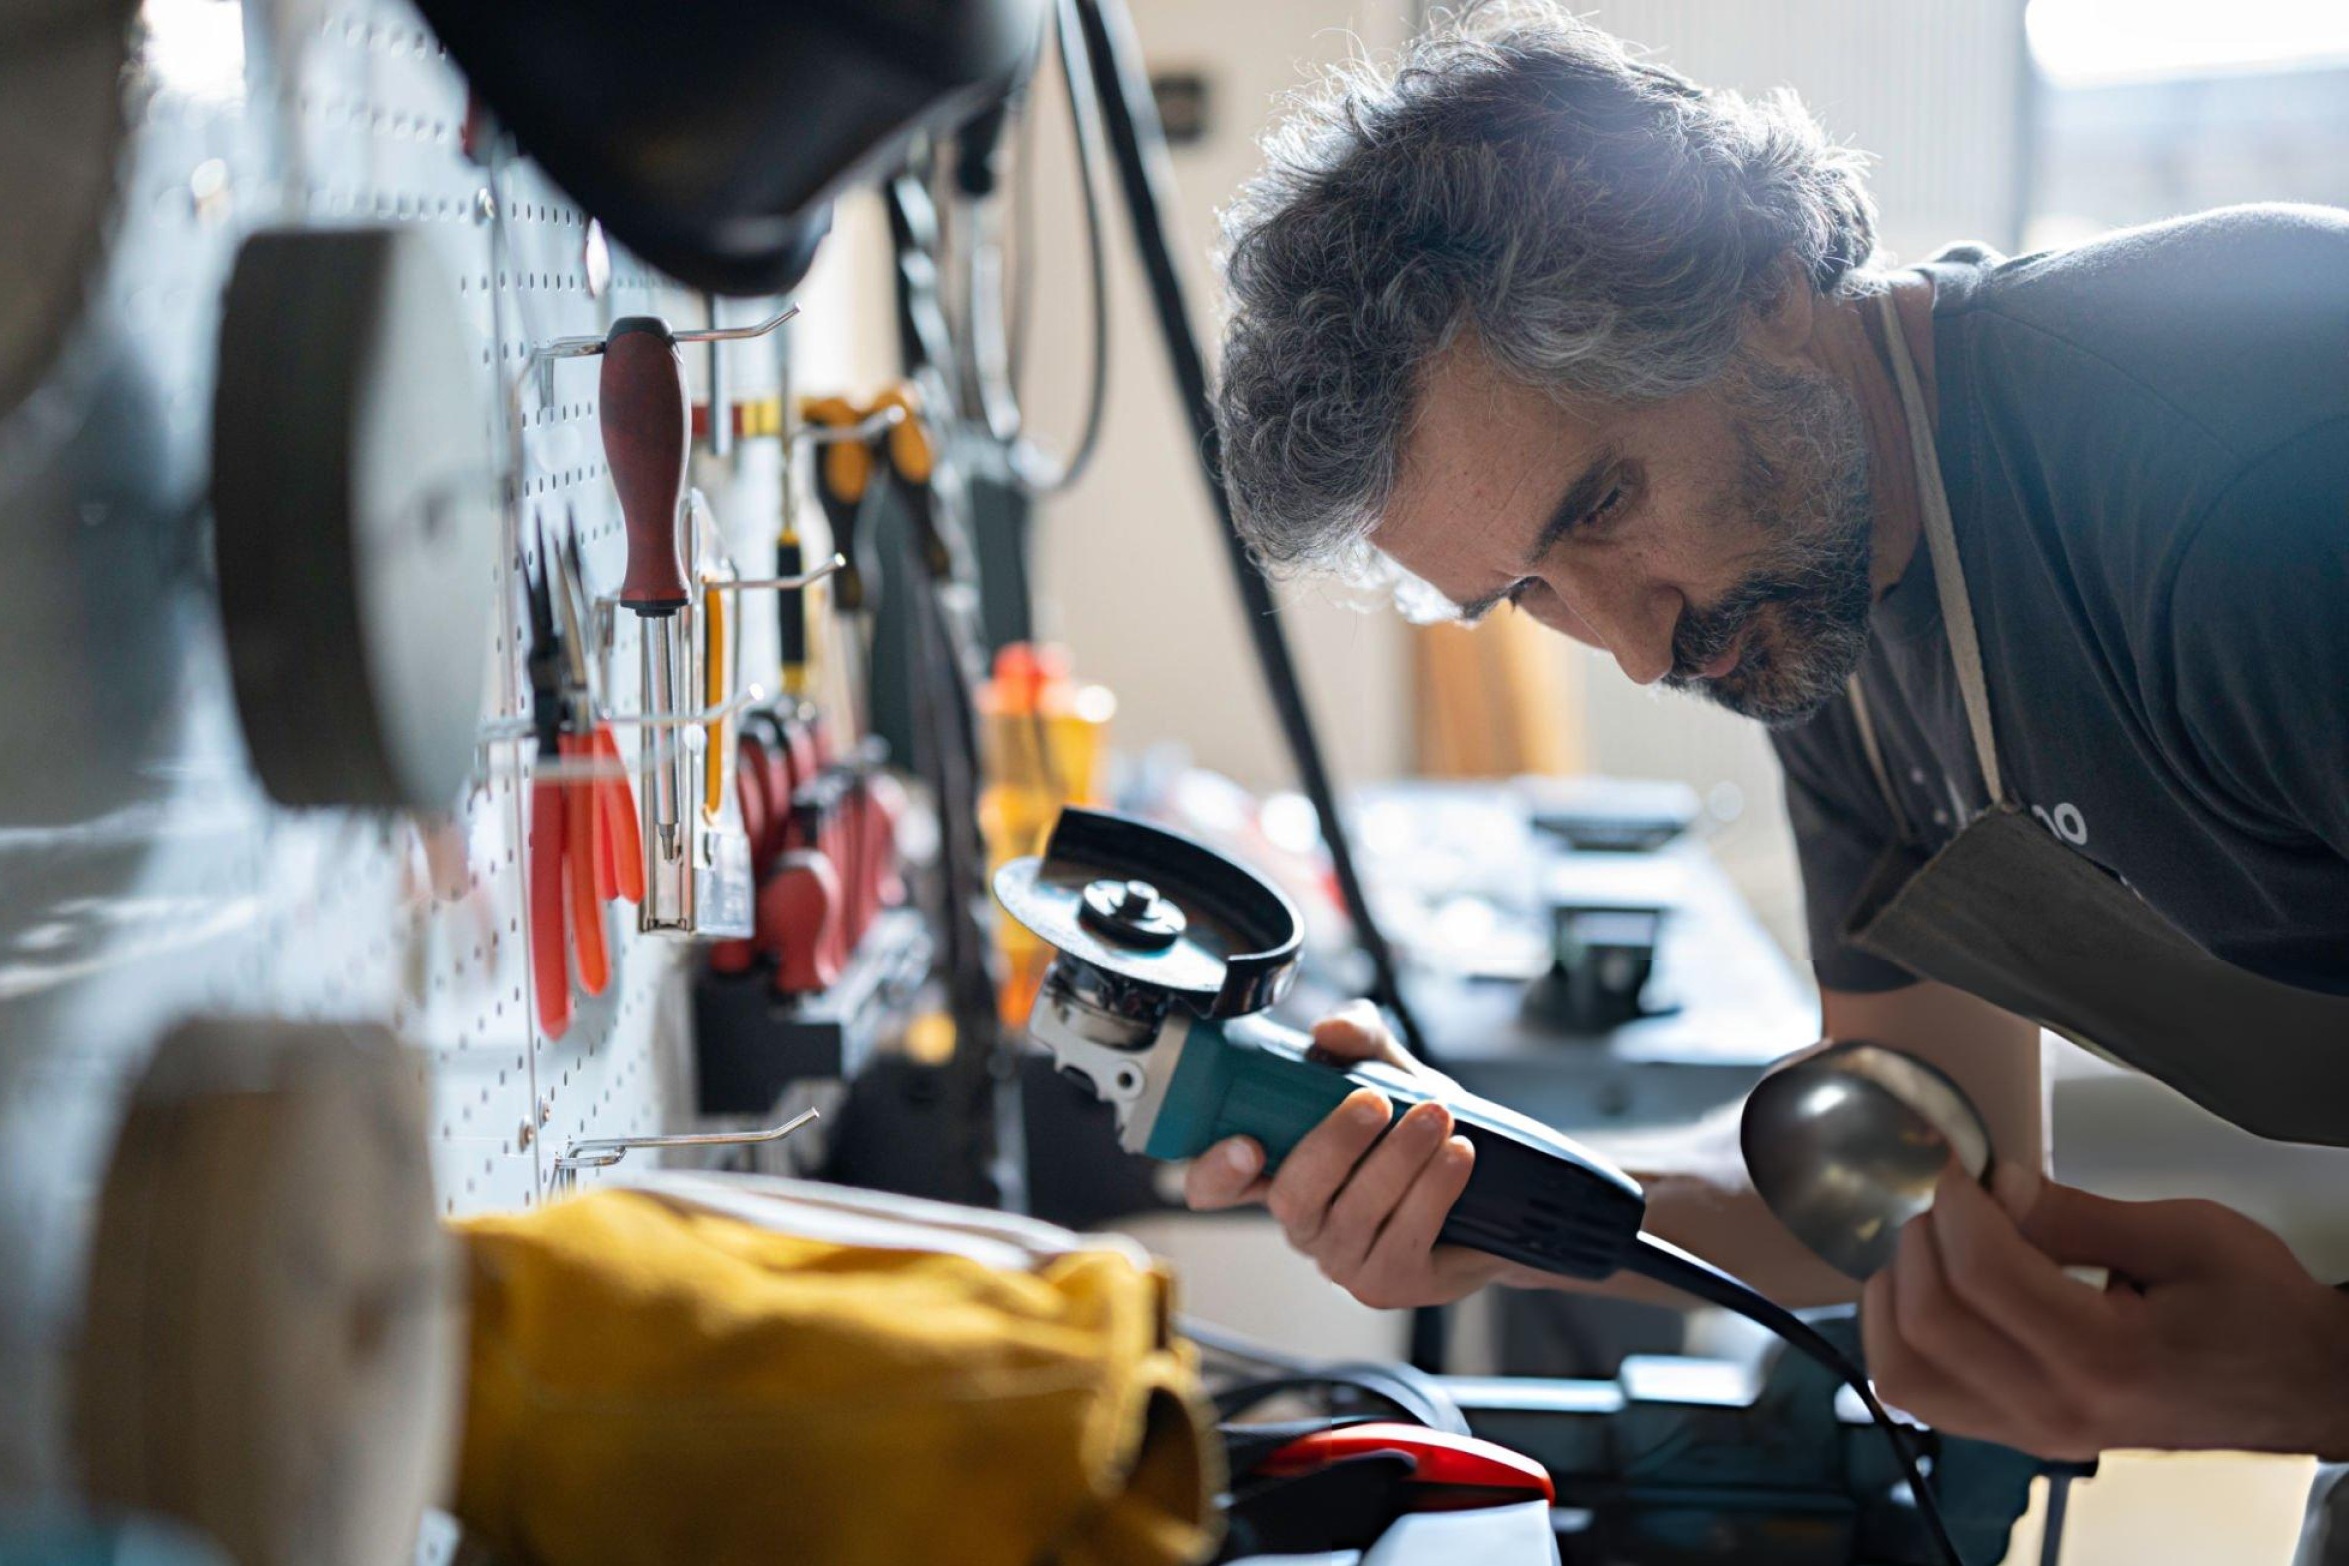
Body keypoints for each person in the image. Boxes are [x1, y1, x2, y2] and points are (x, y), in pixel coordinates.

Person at [1186, 1, 2349, 1489]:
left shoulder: (2242, 483)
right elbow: (1918, 1177)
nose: (1632, 642)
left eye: (1599, 505)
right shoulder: (1816, 600)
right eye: (1527, 592)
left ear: (1766, 285)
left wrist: (2309, 1369)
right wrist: (1494, 1189)